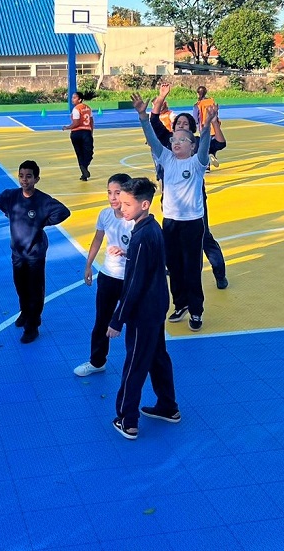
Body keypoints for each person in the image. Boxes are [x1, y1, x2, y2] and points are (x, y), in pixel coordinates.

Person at [132, 91, 215, 331]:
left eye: (182, 140)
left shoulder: (197, 163)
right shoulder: (166, 159)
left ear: (192, 145)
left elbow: (206, 145)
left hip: (192, 223)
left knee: (191, 268)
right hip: (170, 222)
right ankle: (180, 303)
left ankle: (196, 311)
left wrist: (207, 126)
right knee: (174, 267)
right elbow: (153, 139)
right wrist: (142, 117)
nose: (176, 142)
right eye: (174, 139)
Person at [107, 177, 179, 440]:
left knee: (135, 363)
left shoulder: (140, 237)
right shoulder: (152, 229)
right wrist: (128, 255)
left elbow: (134, 284)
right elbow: (150, 265)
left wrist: (117, 319)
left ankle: (128, 419)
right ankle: (168, 407)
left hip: (143, 313)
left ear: (145, 204)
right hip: (158, 306)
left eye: (127, 203)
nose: (121, 207)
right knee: (158, 356)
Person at [150, 83, 228, 290]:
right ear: (173, 128)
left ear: (192, 128)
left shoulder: (196, 142)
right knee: (171, 237)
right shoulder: (168, 141)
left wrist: (215, 123)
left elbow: (220, 143)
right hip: (171, 198)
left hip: (194, 199)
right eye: (179, 123)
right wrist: (161, 96)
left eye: (186, 123)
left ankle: (219, 272)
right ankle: (173, 267)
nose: (182, 125)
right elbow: (152, 120)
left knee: (204, 238)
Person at [0, 160, 71, 343]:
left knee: (35, 290)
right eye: (21, 176)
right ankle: (25, 312)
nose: (24, 180)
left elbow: (63, 212)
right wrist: (9, 214)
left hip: (35, 254)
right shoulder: (11, 196)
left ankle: (33, 325)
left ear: (36, 179)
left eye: (29, 176)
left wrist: (43, 222)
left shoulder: (43, 201)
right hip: (17, 252)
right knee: (20, 286)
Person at [73, 173, 134, 377]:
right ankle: (97, 361)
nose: (113, 197)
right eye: (110, 192)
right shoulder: (105, 215)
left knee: (134, 323)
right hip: (108, 276)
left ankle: (137, 361)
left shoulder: (134, 221)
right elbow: (98, 239)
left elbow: (145, 251)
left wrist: (126, 253)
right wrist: (89, 265)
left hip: (130, 280)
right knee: (101, 321)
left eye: (118, 193)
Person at [62, 91, 94, 181]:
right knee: (89, 153)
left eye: (74, 97)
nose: (72, 99)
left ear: (80, 99)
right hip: (86, 133)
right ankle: (84, 168)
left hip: (76, 134)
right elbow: (91, 121)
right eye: (72, 97)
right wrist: (91, 132)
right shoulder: (87, 108)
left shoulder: (76, 109)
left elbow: (76, 123)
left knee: (79, 154)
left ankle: (83, 172)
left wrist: (67, 127)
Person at [193, 85, 226, 169]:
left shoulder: (197, 104)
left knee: (205, 145)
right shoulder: (211, 101)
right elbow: (215, 112)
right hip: (214, 126)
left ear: (198, 94)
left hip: (205, 126)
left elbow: (195, 118)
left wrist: (195, 125)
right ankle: (213, 153)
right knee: (214, 143)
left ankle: (207, 165)